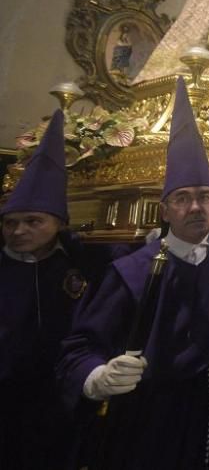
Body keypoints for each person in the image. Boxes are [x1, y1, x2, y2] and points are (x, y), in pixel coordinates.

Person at [57, 77, 209, 470]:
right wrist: (97, 376)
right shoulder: (131, 272)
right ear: (165, 209)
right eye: (183, 198)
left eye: (205, 197)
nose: (195, 208)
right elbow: (80, 346)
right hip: (148, 413)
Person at [0, 110, 125, 469]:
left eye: (32, 221)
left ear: (59, 223)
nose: (18, 231)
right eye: (10, 223)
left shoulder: (79, 261)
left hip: (61, 398)